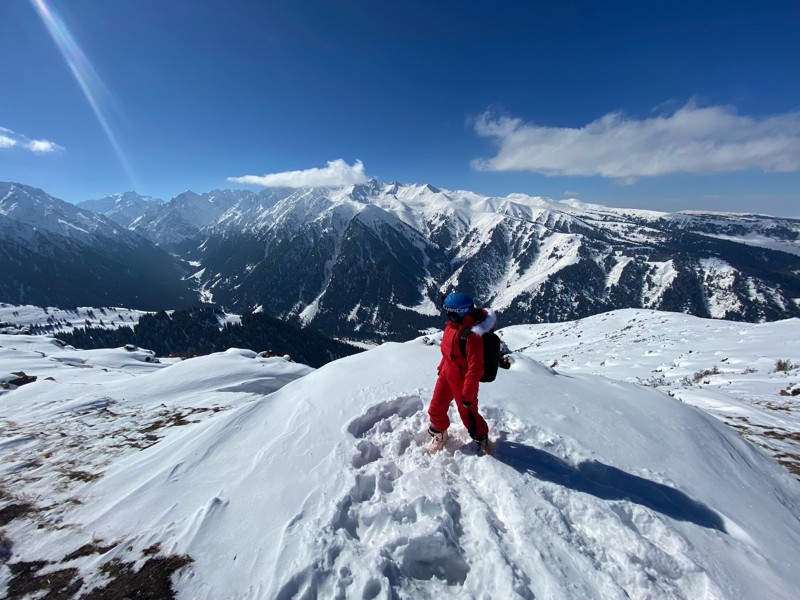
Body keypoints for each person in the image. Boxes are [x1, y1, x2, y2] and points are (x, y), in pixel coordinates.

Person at [427, 292, 496, 454]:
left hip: (462, 381)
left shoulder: (472, 336)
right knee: (435, 409)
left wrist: (468, 393)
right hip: (446, 374)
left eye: (450, 312)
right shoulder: (451, 326)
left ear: (460, 312)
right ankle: (440, 433)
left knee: (469, 416)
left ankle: (481, 437)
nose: (447, 315)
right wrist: (441, 367)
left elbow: (475, 368)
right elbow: (448, 352)